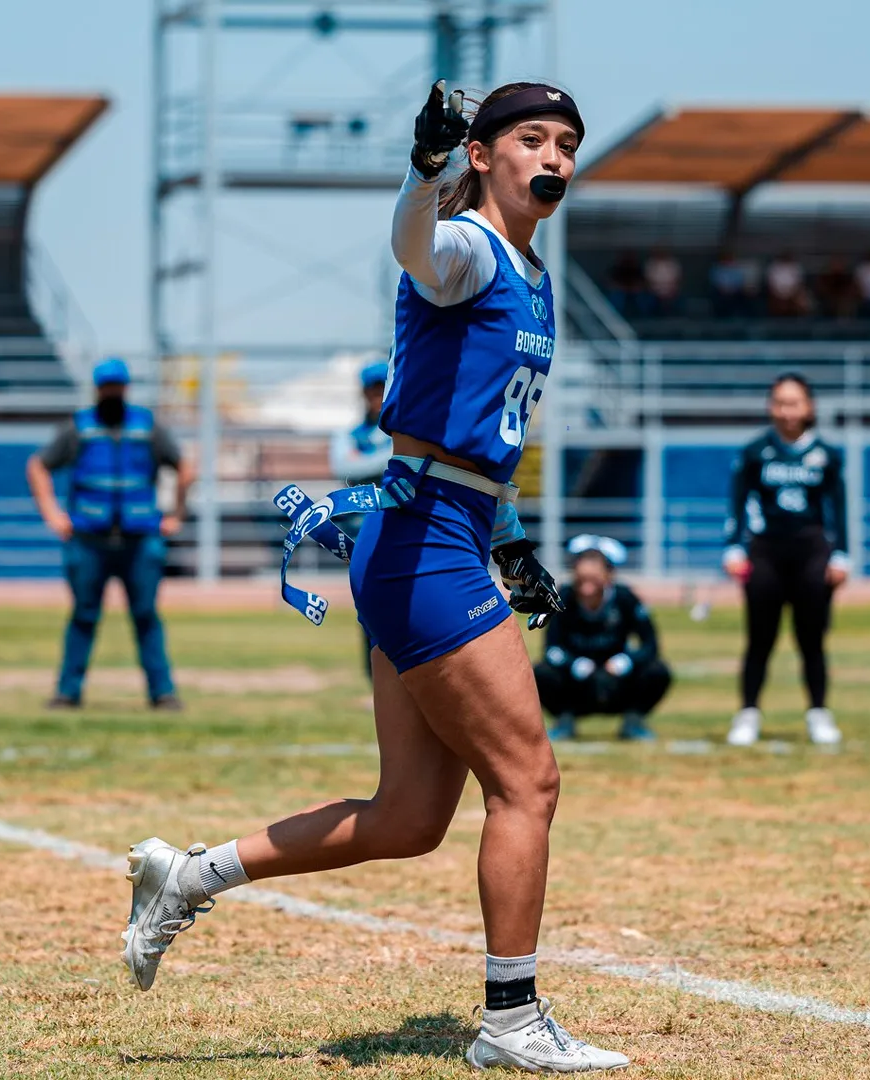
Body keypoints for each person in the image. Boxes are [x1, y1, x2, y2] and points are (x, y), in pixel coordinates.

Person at [118, 80, 629, 1072]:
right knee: (529, 783)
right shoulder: (469, 244)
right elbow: (414, 246)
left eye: (566, 140)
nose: (554, 155)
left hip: (445, 535)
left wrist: (513, 538)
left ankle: (188, 876)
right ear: (482, 154)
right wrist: (422, 167)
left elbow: (484, 438)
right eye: (531, 137)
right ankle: (511, 1022)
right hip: (425, 543)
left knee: (406, 820)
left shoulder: (532, 272)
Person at [27, 358, 193, 711]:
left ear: (126, 388)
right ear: (97, 389)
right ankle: (68, 692)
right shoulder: (80, 427)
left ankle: (162, 692)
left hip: (140, 540)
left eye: (117, 386)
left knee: (146, 616)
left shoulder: (147, 427)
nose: (112, 392)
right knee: (84, 615)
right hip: (89, 540)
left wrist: (176, 514)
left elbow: (184, 467)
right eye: (107, 386)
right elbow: (38, 466)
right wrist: (53, 515)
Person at [722, 374, 849, 747]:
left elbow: (838, 509)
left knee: (811, 639)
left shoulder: (826, 454)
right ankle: (748, 714)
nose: (786, 410)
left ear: (808, 407)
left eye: (794, 402)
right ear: (770, 406)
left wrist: (842, 555)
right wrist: (733, 547)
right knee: (760, 638)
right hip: (766, 551)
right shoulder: (755, 452)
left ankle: (819, 713)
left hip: (811, 551)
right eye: (779, 402)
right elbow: (738, 503)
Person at [535, 534, 670, 742]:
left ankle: (633, 722)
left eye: (595, 577)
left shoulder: (625, 598)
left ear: (609, 575)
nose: (587, 585)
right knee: (540, 673)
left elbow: (650, 645)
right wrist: (575, 664)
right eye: (582, 577)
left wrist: (625, 662)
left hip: (617, 681)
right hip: (577, 683)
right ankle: (565, 720)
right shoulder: (563, 598)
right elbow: (551, 649)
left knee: (658, 671)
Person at [331, 361, 396, 673]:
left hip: (400, 526)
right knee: (369, 603)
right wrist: (390, 458)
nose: (377, 396)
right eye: (372, 390)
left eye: (383, 388)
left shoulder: (403, 427)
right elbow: (344, 467)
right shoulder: (352, 433)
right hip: (364, 530)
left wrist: (368, 460)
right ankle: (376, 674)